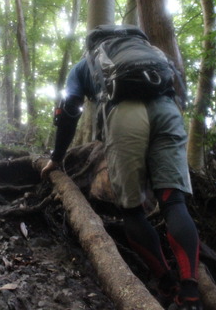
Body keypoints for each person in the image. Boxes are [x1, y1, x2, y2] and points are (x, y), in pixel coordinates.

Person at [41, 25, 203, 310]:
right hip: (167, 110)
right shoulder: (154, 53)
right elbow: (179, 90)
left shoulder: (85, 64)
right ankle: (190, 294)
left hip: (124, 113)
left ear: (91, 43)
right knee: (173, 201)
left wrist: (57, 157)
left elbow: (68, 111)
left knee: (131, 209)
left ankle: (166, 283)